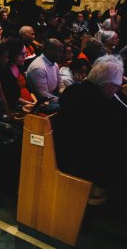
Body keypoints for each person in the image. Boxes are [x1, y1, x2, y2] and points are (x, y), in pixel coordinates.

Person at [54, 55, 126, 203]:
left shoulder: (75, 90)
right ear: (107, 86)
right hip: (83, 163)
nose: (118, 89)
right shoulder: (100, 104)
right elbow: (113, 139)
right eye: (117, 86)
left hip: (79, 155)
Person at [26, 38, 65, 106]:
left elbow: (60, 85)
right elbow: (43, 96)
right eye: (60, 52)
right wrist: (63, 100)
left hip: (52, 95)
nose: (62, 55)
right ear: (50, 51)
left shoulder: (54, 64)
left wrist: (67, 94)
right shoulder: (38, 68)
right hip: (42, 101)